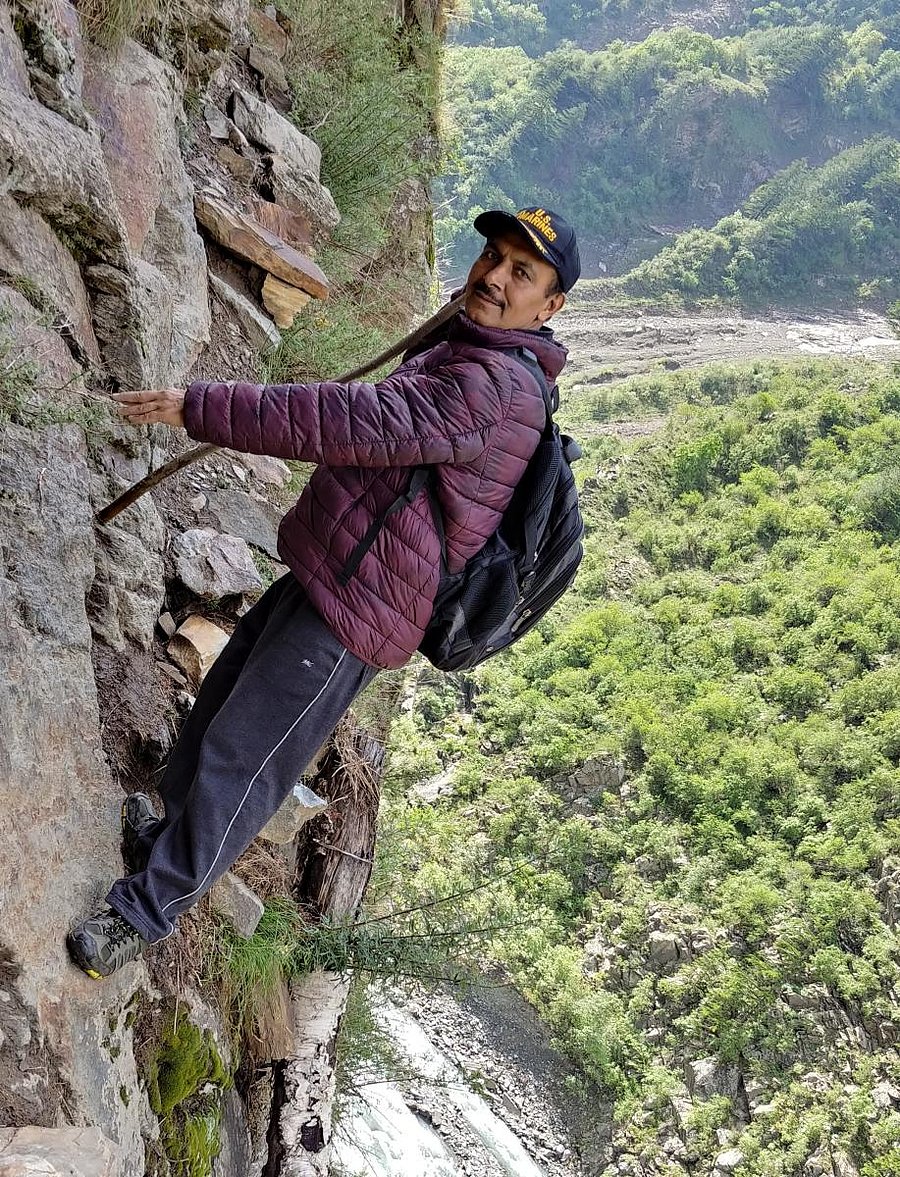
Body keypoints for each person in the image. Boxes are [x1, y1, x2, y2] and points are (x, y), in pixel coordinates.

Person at [67, 206, 581, 979]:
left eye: (522, 272)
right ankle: (165, 834)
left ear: (549, 307)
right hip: (336, 569)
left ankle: (143, 912)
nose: (495, 275)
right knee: (222, 705)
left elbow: (352, 419)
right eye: (493, 256)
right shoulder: (473, 346)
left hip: (359, 611)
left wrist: (200, 405)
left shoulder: (495, 389)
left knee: (249, 757)